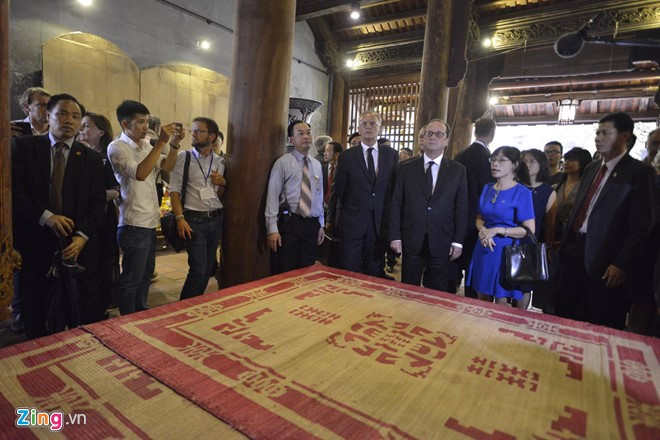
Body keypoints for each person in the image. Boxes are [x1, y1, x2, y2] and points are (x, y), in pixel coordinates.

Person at [12, 94, 106, 338]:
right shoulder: (24, 148)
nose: (69, 121)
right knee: (35, 305)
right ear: (48, 116)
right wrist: (46, 216)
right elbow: (15, 192)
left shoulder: (92, 159)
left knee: (76, 308)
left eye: (76, 116)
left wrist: (82, 236)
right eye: (62, 113)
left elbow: (97, 204)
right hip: (36, 240)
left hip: (74, 244)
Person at [556, 113, 656, 330]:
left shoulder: (639, 173)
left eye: (605, 133)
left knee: (601, 319)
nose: (598, 138)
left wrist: (621, 262)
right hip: (574, 248)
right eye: (597, 133)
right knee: (566, 314)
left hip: (606, 258)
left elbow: (641, 225)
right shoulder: (592, 168)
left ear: (624, 136)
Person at [108, 100, 182, 315]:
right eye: (140, 122)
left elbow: (167, 167)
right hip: (132, 223)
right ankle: (128, 319)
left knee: (146, 274)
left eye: (146, 121)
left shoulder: (146, 145)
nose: (145, 126)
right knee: (132, 277)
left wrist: (174, 144)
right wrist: (161, 142)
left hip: (149, 220)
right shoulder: (117, 147)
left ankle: (140, 312)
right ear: (124, 123)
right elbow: (140, 173)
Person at [389, 119, 468, 291]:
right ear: (423, 138)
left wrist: (458, 242)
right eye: (429, 133)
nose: (433, 137)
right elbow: (396, 203)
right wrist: (395, 236)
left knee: (436, 292)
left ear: (446, 140)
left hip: (442, 240)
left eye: (439, 134)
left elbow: (461, 208)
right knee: (408, 290)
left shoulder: (457, 170)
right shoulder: (405, 168)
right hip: (411, 237)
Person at [327, 111, 398, 277]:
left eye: (373, 123)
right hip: (352, 223)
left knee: (374, 271)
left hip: (379, 223)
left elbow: (394, 191)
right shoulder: (347, 156)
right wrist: (332, 220)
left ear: (380, 128)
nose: (368, 127)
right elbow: (338, 191)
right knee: (349, 270)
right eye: (364, 123)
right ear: (358, 128)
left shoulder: (391, 155)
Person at [465, 146, 535, 308]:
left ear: (515, 165)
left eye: (502, 160)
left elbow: (529, 230)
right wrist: (483, 231)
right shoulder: (487, 188)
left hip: (505, 251)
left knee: (501, 300)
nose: (495, 164)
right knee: (481, 297)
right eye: (493, 160)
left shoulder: (522, 192)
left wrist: (497, 230)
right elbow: (479, 218)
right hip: (484, 247)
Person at [170, 117, 226, 300]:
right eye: (193, 131)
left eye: (198, 131)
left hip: (216, 219)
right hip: (194, 220)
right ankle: (183, 308)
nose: (193, 134)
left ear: (212, 136)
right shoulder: (184, 158)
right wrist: (180, 218)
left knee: (208, 268)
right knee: (198, 269)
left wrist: (224, 182)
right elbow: (174, 190)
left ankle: (194, 305)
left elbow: (222, 194)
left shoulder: (220, 162)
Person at [265, 120, 325, 274]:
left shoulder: (316, 164)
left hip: (311, 225)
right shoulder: (283, 163)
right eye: (301, 133)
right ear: (291, 139)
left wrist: (321, 224)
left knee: (306, 270)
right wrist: (272, 229)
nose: (306, 137)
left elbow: (319, 196)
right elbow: (272, 195)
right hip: (291, 223)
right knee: (286, 270)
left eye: (308, 132)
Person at [78, 112, 121, 311]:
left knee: (103, 260)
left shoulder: (105, 158)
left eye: (87, 126)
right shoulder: (76, 154)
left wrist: (93, 196)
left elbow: (115, 190)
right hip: (79, 217)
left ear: (101, 132)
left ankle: (102, 300)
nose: (82, 129)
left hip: (102, 217)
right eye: (82, 125)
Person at [542, 147, 592, 314]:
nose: (567, 163)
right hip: (554, 233)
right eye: (567, 159)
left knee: (568, 282)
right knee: (551, 280)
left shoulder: (588, 187)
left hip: (574, 238)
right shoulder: (557, 185)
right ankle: (548, 312)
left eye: (573, 159)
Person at [453, 117, 496, 297]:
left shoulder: (460, 154)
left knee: (455, 258)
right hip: (478, 218)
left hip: (457, 214)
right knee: (472, 260)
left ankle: (451, 291)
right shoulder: (487, 158)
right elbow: (487, 189)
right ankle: (470, 297)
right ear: (492, 133)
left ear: (475, 131)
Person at [519, 149, 557, 310]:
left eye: (532, 161)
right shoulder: (514, 186)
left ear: (542, 165)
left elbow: (550, 225)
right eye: (525, 161)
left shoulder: (548, 192)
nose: (527, 164)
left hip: (529, 243)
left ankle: (518, 318)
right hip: (507, 238)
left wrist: (548, 247)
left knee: (523, 284)